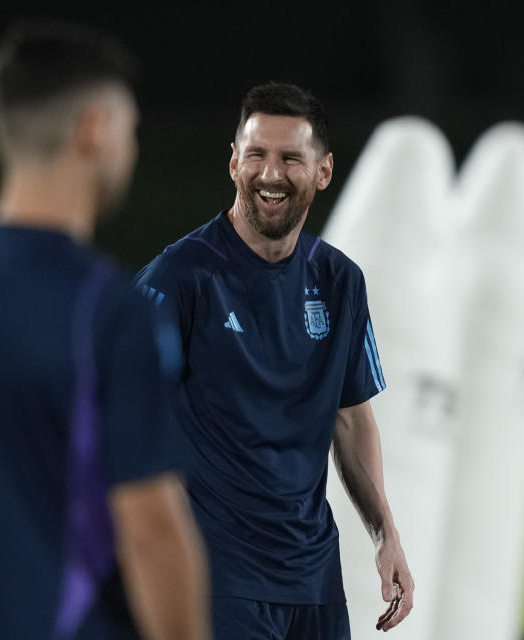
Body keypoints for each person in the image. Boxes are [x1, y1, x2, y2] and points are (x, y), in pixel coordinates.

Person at [0, 21, 210, 640]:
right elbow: (152, 531)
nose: (130, 150)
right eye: (129, 129)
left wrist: (14, 551)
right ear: (93, 130)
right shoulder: (105, 308)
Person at [134, 82, 413, 638]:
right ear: (234, 162)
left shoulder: (340, 282)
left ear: (324, 170)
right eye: (256, 154)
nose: (270, 173)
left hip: (314, 583)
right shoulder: (180, 278)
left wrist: (386, 536)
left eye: (291, 158)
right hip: (215, 579)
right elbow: (116, 411)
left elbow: (351, 417)